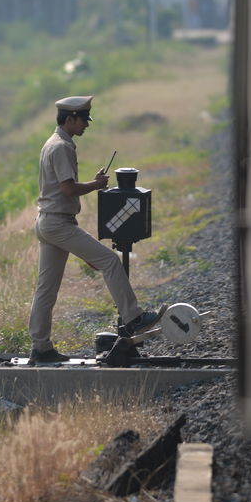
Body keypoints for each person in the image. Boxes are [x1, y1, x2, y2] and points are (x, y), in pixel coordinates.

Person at [27, 94, 163, 363]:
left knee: (46, 290)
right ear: (70, 119)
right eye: (83, 120)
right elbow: (68, 189)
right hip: (58, 224)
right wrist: (96, 184)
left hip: (47, 222)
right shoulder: (62, 147)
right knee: (110, 261)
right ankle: (134, 317)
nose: (86, 125)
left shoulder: (52, 143)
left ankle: (40, 348)